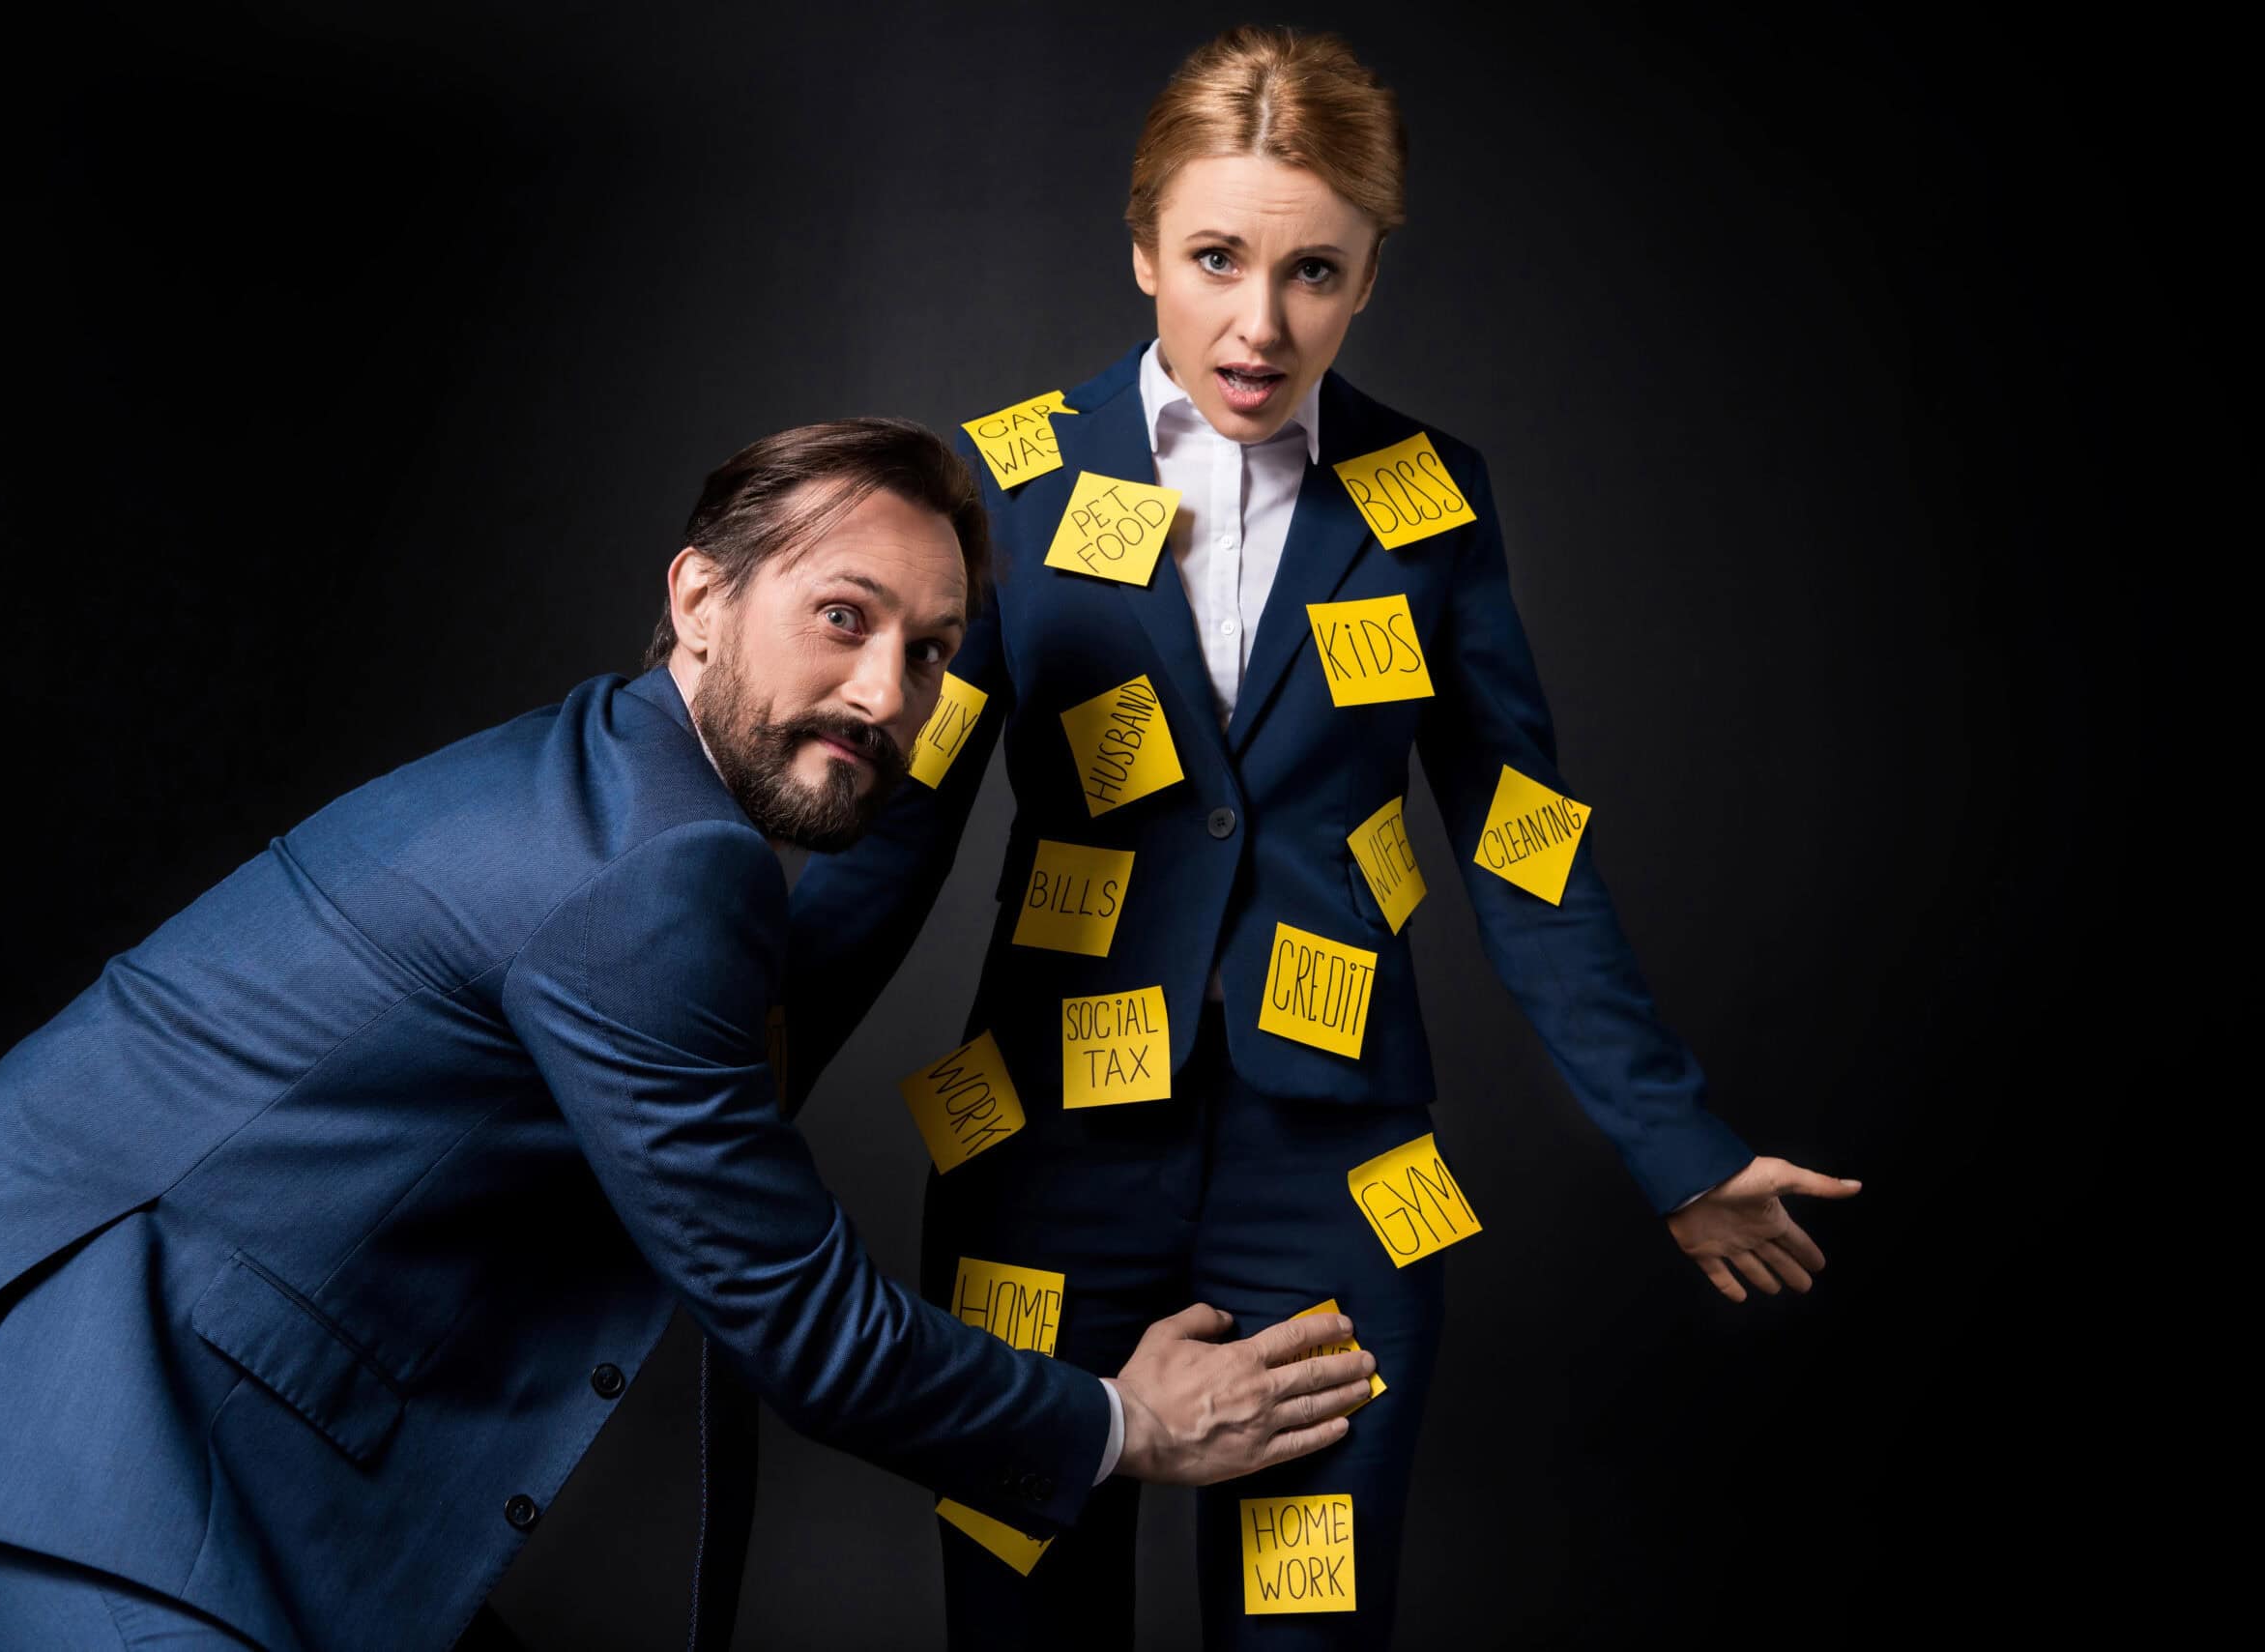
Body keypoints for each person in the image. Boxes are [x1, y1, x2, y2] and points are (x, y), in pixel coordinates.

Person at [0, 417, 1376, 1652]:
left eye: (933, 651)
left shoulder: (639, 788)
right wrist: (1128, 1424)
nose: (885, 689)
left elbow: (751, 1091)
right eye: (842, 616)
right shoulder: (650, 869)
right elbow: (801, 1318)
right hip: (39, 1402)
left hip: (170, 1397)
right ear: (698, 594)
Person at [784, 28, 1863, 1649]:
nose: (1259, 321)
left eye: (1315, 271)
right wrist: (708, 1102)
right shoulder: (1003, 481)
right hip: (1046, 1166)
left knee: (1311, 1627)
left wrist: (1677, 1143)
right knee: (1022, 1618)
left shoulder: (1435, 496)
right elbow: (894, 842)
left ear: (1370, 280)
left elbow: (1520, 836)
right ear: (1144, 244)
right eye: (1216, 258)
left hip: (1337, 1181)